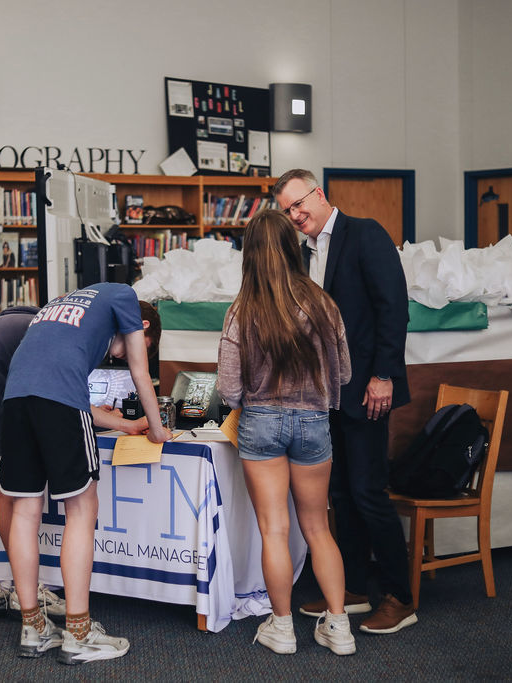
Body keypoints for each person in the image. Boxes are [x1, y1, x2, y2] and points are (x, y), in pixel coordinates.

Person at [0, 305, 149, 626]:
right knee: (10, 493)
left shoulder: (30, 322)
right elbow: (58, 398)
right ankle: (25, 593)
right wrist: (123, 424)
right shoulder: (52, 331)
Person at [272, 169, 416, 634]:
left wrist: (384, 375)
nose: (296, 216)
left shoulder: (365, 234)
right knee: (339, 495)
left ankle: (400, 597)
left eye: (299, 204)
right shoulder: (301, 251)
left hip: (367, 389)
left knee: (369, 493)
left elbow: (393, 308)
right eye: (287, 211)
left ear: (320, 194)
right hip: (325, 394)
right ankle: (352, 588)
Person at [0, 283, 171, 664]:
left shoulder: (68, 301)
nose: (123, 359)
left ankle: (34, 627)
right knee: (81, 509)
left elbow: (51, 385)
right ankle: (78, 632)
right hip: (57, 402)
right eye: (138, 344)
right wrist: (158, 430)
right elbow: (142, 375)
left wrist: (126, 425)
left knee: (25, 511)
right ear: (140, 327)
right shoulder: (124, 295)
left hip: (14, 400)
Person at [218, 209, 355, 655]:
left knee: (274, 530)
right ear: (293, 248)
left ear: (250, 255)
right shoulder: (323, 303)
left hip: (260, 422)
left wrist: (252, 401)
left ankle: (282, 628)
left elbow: (228, 387)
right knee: (318, 528)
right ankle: (339, 628)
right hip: (315, 421)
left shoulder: (243, 309)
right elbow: (346, 373)